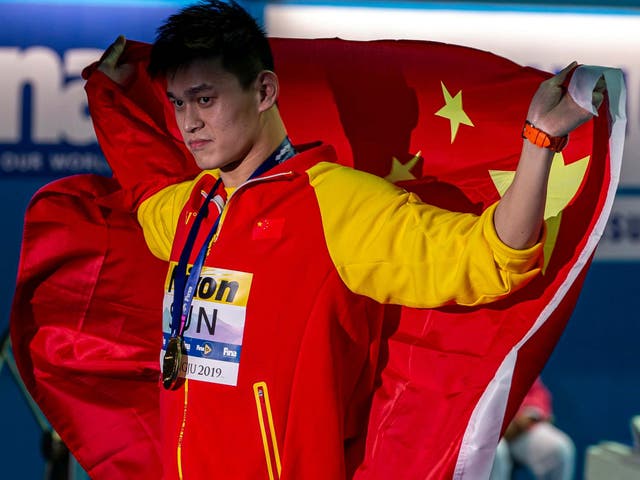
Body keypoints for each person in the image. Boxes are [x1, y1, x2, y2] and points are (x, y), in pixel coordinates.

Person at [90, 1, 601, 478]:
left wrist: (538, 140)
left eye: (206, 99)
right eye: (178, 103)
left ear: (265, 91)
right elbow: (145, 185)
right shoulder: (191, 212)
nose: (188, 123)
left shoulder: (335, 206)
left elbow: (488, 259)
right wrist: (109, 97)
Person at [490, 378, 575, 480]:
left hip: (520, 427)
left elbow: (536, 391)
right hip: (482, 428)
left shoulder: (516, 362)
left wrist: (530, 415)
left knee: (559, 449)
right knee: (494, 453)